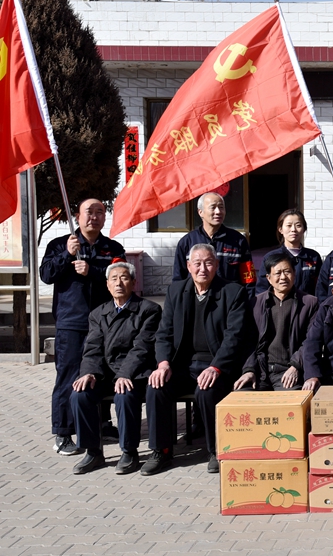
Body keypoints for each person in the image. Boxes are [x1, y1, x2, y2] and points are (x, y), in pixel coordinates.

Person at [143, 244, 254, 476]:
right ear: (188, 266)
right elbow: (164, 333)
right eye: (197, 263)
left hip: (216, 364)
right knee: (156, 387)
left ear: (217, 265)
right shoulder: (176, 291)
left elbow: (234, 337)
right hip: (182, 365)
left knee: (207, 390)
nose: (203, 268)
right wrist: (163, 364)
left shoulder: (233, 292)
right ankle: (161, 451)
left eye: (208, 262)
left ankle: (216, 450)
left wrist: (216, 367)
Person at [40, 198, 125, 456]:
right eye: (89, 212)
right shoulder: (60, 244)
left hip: (105, 322)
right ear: (77, 216)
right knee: (69, 376)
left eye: (100, 212)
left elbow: (120, 277)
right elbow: (46, 275)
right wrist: (66, 254)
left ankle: (102, 422)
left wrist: (93, 271)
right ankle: (64, 432)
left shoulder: (112, 248)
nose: (94, 217)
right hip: (71, 323)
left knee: (104, 372)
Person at [69, 262, 160, 475]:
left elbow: (142, 348)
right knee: (80, 394)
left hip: (135, 373)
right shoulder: (98, 313)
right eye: (114, 279)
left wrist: (125, 374)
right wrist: (89, 373)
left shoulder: (149, 310)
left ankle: (129, 451)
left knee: (125, 394)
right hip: (104, 374)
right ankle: (93, 451)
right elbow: (92, 348)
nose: (119, 283)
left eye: (124, 278)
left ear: (134, 282)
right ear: (107, 285)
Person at [235, 252, 320, 392]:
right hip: (260, 370)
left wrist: (296, 366)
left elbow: (311, 340)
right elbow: (248, 341)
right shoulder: (255, 303)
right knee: (241, 395)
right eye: (278, 273)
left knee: (291, 400)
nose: (283, 277)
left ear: (294, 274)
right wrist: (249, 370)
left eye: (287, 272)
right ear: (268, 278)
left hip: (289, 370)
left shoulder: (309, 303)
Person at [173, 192, 256, 295]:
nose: (218, 212)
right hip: (197, 299)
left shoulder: (238, 241)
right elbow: (178, 279)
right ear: (200, 212)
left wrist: (248, 301)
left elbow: (248, 278)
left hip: (230, 299)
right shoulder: (187, 242)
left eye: (221, 207)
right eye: (213, 207)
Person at [254, 209, 322, 296]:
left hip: (308, 304)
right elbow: (262, 289)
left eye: (298, 225)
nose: (293, 229)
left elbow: (320, 287)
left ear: (304, 229)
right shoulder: (271, 257)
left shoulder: (313, 257)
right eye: (289, 225)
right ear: (280, 229)